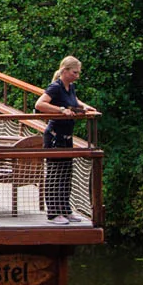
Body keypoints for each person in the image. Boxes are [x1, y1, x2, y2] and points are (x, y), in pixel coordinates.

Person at [34, 56, 94, 224]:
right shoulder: (55, 87)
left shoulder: (70, 87)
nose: (77, 76)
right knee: (55, 175)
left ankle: (65, 210)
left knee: (66, 174)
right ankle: (53, 214)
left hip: (67, 137)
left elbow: (74, 101)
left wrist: (83, 106)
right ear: (65, 70)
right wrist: (61, 110)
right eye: (75, 72)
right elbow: (40, 104)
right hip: (55, 136)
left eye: (78, 73)